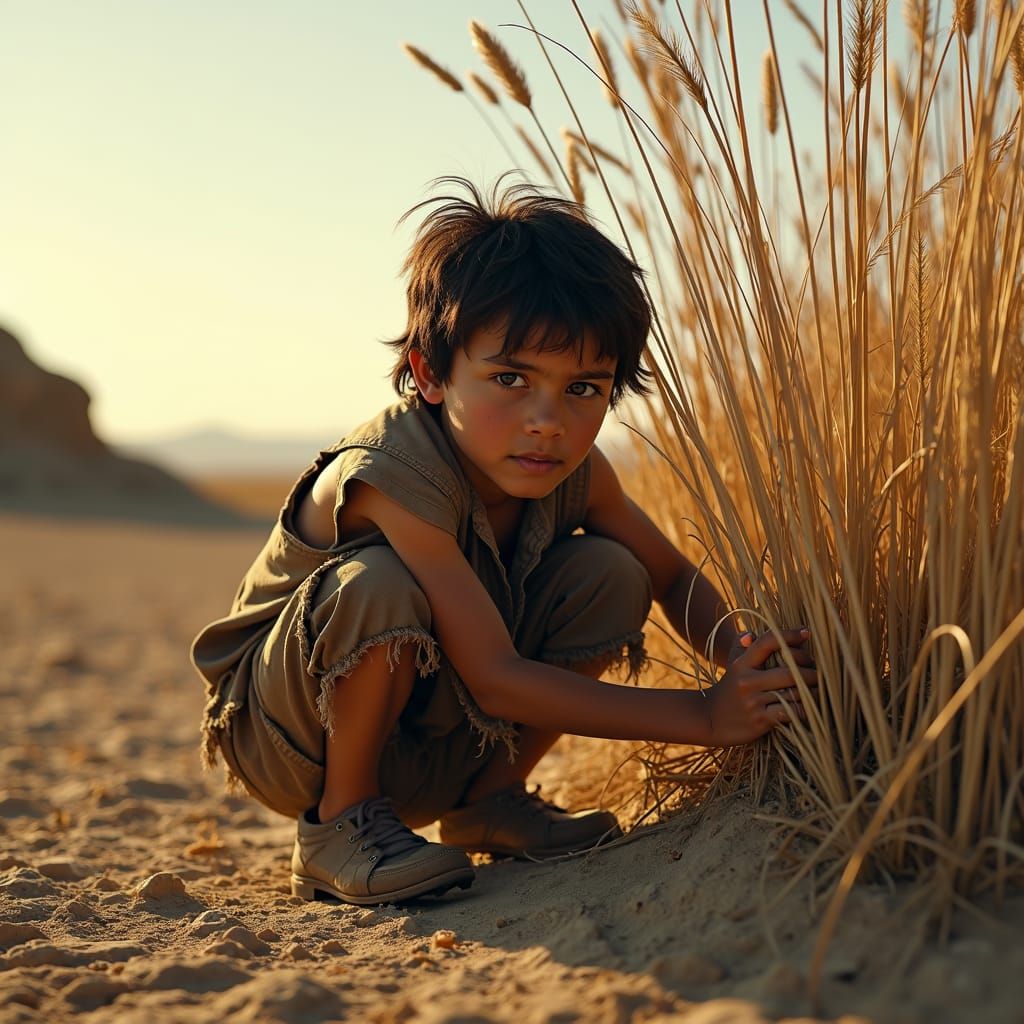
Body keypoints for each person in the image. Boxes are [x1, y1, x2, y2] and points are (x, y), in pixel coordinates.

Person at [191, 177, 816, 907]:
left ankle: (489, 801)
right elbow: (493, 676)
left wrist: (747, 656)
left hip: (432, 738)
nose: (547, 421)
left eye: (583, 388)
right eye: (511, 379)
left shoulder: (575, 473)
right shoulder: (392, 474)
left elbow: (671, 577)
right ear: (430, 373)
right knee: (376, 584)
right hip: (288, 738)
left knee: (612, 572)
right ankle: (340, 826)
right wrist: (709, 718)